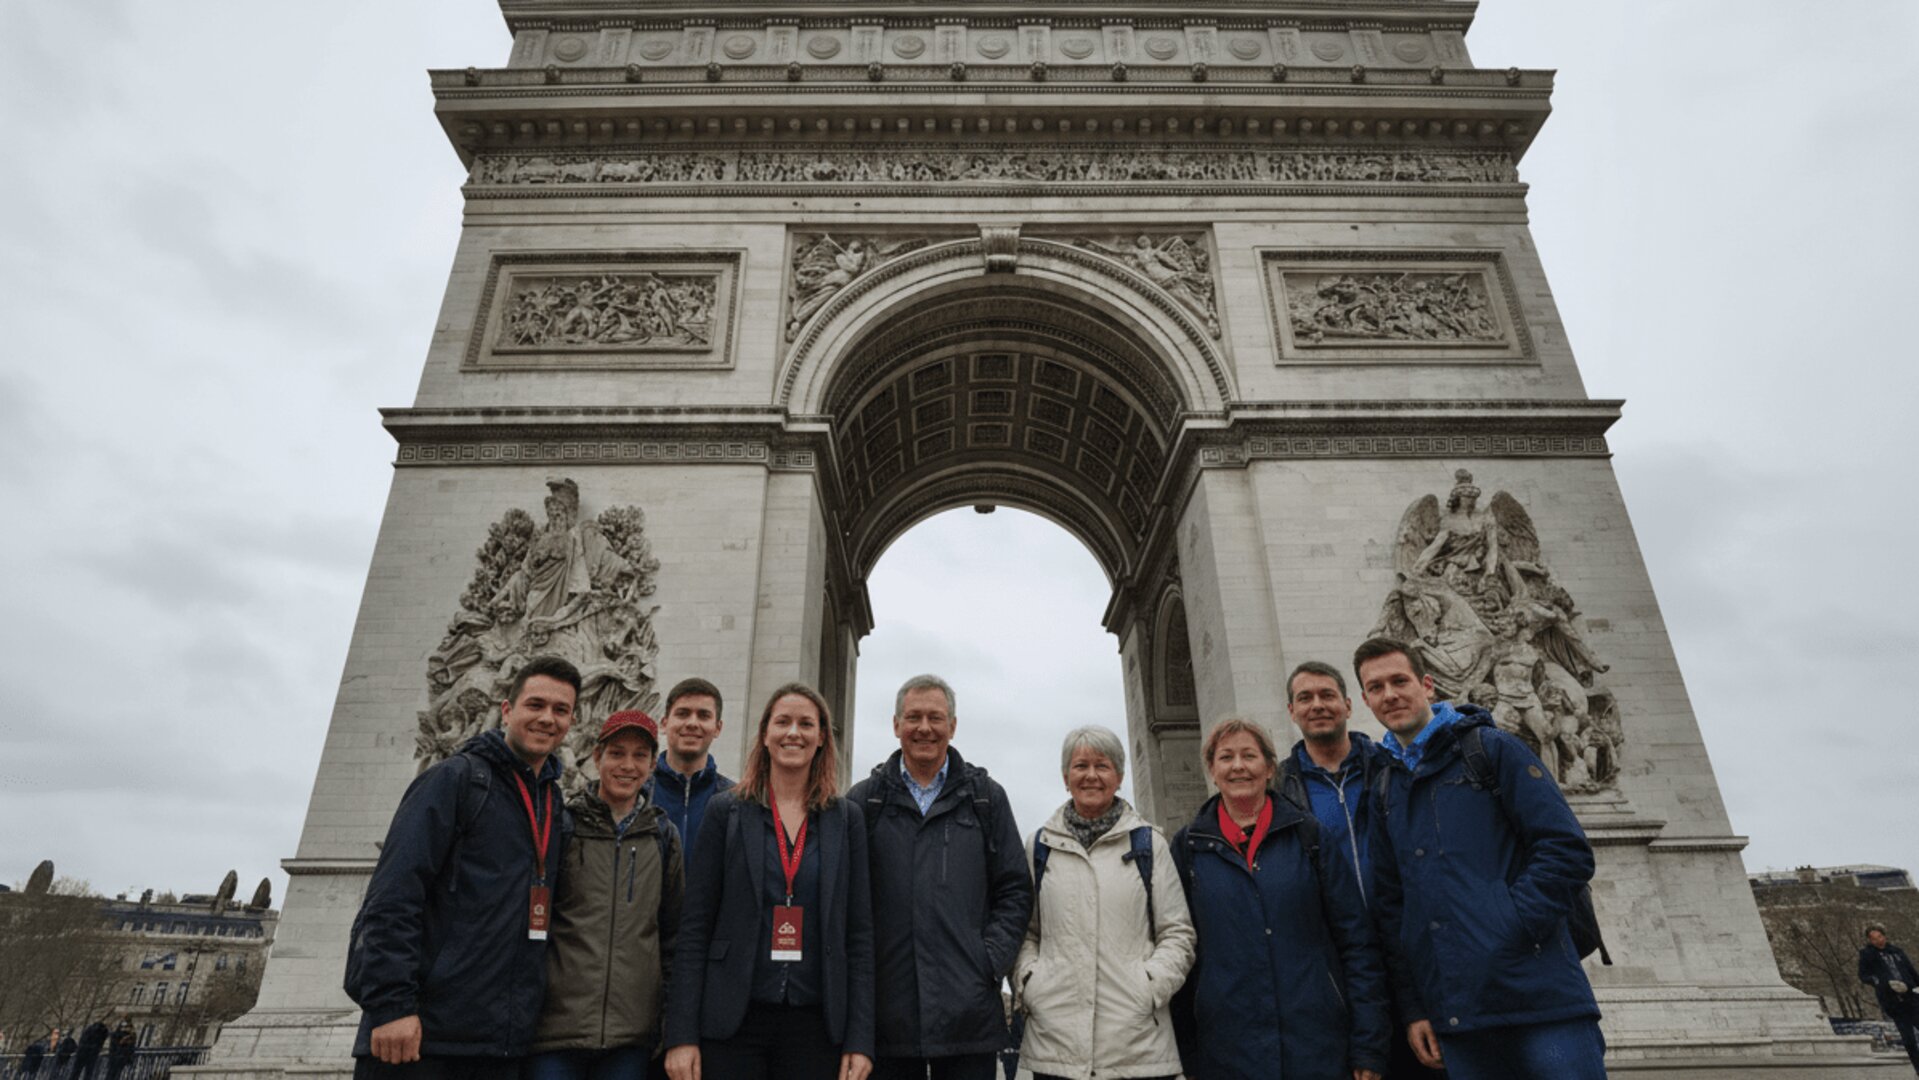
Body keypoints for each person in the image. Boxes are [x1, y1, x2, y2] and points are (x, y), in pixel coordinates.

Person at [1358, 637, 1604, 1079]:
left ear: (1427, 685)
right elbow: (1392, 906)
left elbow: (1566, 849)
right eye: (1376, 687)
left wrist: (1508, 925)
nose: (1389, 694)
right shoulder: (1382, 787)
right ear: (1365, 700)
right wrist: (1414, 1008)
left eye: (1399, 680)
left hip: (1540, 997)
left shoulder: (1493, 749)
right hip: (1458, 1012)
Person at [345, 655, 578, 1080]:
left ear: (572, 721)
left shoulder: (555, 807)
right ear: (506, 709)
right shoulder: (453, 780)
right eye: (535, 705)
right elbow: (393, 896)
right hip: (419, 1039)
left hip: (499, 1047)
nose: (547, 718)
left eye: (560, 710)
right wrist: (392, 1006)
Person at [664, 683, 875, 1080]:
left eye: (805, 724)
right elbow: (694, 929)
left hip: (816, 1026)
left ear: (821, 738)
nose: (793, 732)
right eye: (783, 722)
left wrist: (860, 1041)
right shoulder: (725, 811)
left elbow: (859, 937)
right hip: (733, 1022)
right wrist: (681, 1035)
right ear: (764, 734)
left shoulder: (847, 820)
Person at [1171, 717, 1388, 1080]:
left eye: (1249, 756)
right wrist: (1187, 1057)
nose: (1238, 766)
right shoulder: (1187, 847)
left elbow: (1357, 944)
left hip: (1316, 1045)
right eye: (1226, 757)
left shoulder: (1310, 836)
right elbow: (1180, 954)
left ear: (1270, 767)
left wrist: (1369, 1044)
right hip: (1227, 1051)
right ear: (1211, 769)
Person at [846, 674, 1032, 1080]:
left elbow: (1015, 889)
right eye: (913, 717)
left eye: (936, 717)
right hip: (886, 1015)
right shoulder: (862, 802)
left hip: (969, 1014)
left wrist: (987, 962)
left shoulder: (987, 797)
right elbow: (844, 900)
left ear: (953, 725)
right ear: (896, 725)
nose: (924, 728)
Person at [1273, 661, 1439, 1078]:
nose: (1318, 705)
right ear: (1290, 711)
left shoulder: (1395, 766)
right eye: (1305, 698)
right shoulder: (1274, 791)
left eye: (1327, 695)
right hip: (1337, 968)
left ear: (1349, 704)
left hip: (1414, 951)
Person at [1014, 725, 1194, 1080]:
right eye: (1081, 766)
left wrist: (1150, 987)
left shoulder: (1150, 844)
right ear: (1066, 777)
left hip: (1138, 1044)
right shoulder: (1038, 847)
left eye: (1102, 765)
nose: (1091, 776)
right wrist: (1031, 982)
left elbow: (1178, 932)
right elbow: (1024, 931)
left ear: (1120, 776)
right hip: (1056, 1044)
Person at [528, 710, 685, 1080]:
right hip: (555, 1033)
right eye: (616, 753)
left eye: (639, 756)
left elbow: (674, 937)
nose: (627, 765)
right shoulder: (562, 826)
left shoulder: (663, 837)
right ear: (596, 757)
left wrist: (668, 1023)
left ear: (652, 764)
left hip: (630, 1037)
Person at [646, 677, 734, 865]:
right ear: (664, 723)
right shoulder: (637, 792)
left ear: (717, 728)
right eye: (683, 713)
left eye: (703, 715)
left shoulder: (736, 801)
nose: (692, 723)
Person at [1859, 923, 1919, 1074]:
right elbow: (1863, 976)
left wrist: (1913, 987)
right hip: (1893, 1002)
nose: (1878, 941)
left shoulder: (1897, 952)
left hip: (1911, 997)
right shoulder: (1867, 955)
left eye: (1880, 937)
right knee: (1909, 1039)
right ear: (1869, 940)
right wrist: (1880, 982)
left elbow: (1911, 972)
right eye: (1874, 939)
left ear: (1884, 936)